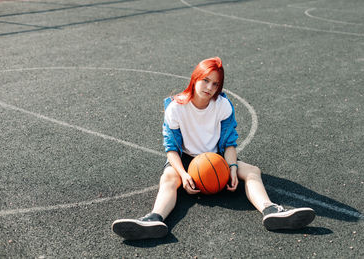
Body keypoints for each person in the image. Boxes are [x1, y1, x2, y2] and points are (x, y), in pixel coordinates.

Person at [111, 57, 315, 240]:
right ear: (195, 78)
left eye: (215, 84)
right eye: (206, 80)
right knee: (168, 178)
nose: (209, 87)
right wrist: (183, 174)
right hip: (185, 158)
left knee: (252, 171)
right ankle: (153, 219)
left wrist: (233, 168)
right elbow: (171, 148)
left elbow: (229, 143)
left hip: (215, 158)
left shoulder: (223, 105)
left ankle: (270, 210)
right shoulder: (175, 107)